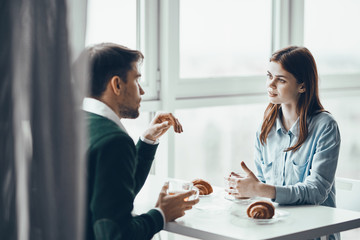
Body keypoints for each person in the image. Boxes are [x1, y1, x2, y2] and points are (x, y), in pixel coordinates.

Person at [78, 43, 199, 240]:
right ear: (117, 84)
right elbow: (117, 235)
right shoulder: (114, 141)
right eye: (136, 80)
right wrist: (160, 215)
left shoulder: (71, 122)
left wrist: (147, 141)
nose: (141, 91)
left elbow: (112, 198)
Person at [227, 46, 341, 239]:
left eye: (280, 79)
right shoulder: (266, 128)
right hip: (278, 230)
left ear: (302, 86)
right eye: (269, 76)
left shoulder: (325, 126)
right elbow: (265, 187)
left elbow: (317, 191)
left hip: (314, 233)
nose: (271, 85)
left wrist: (262, 189)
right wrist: (248, 189)